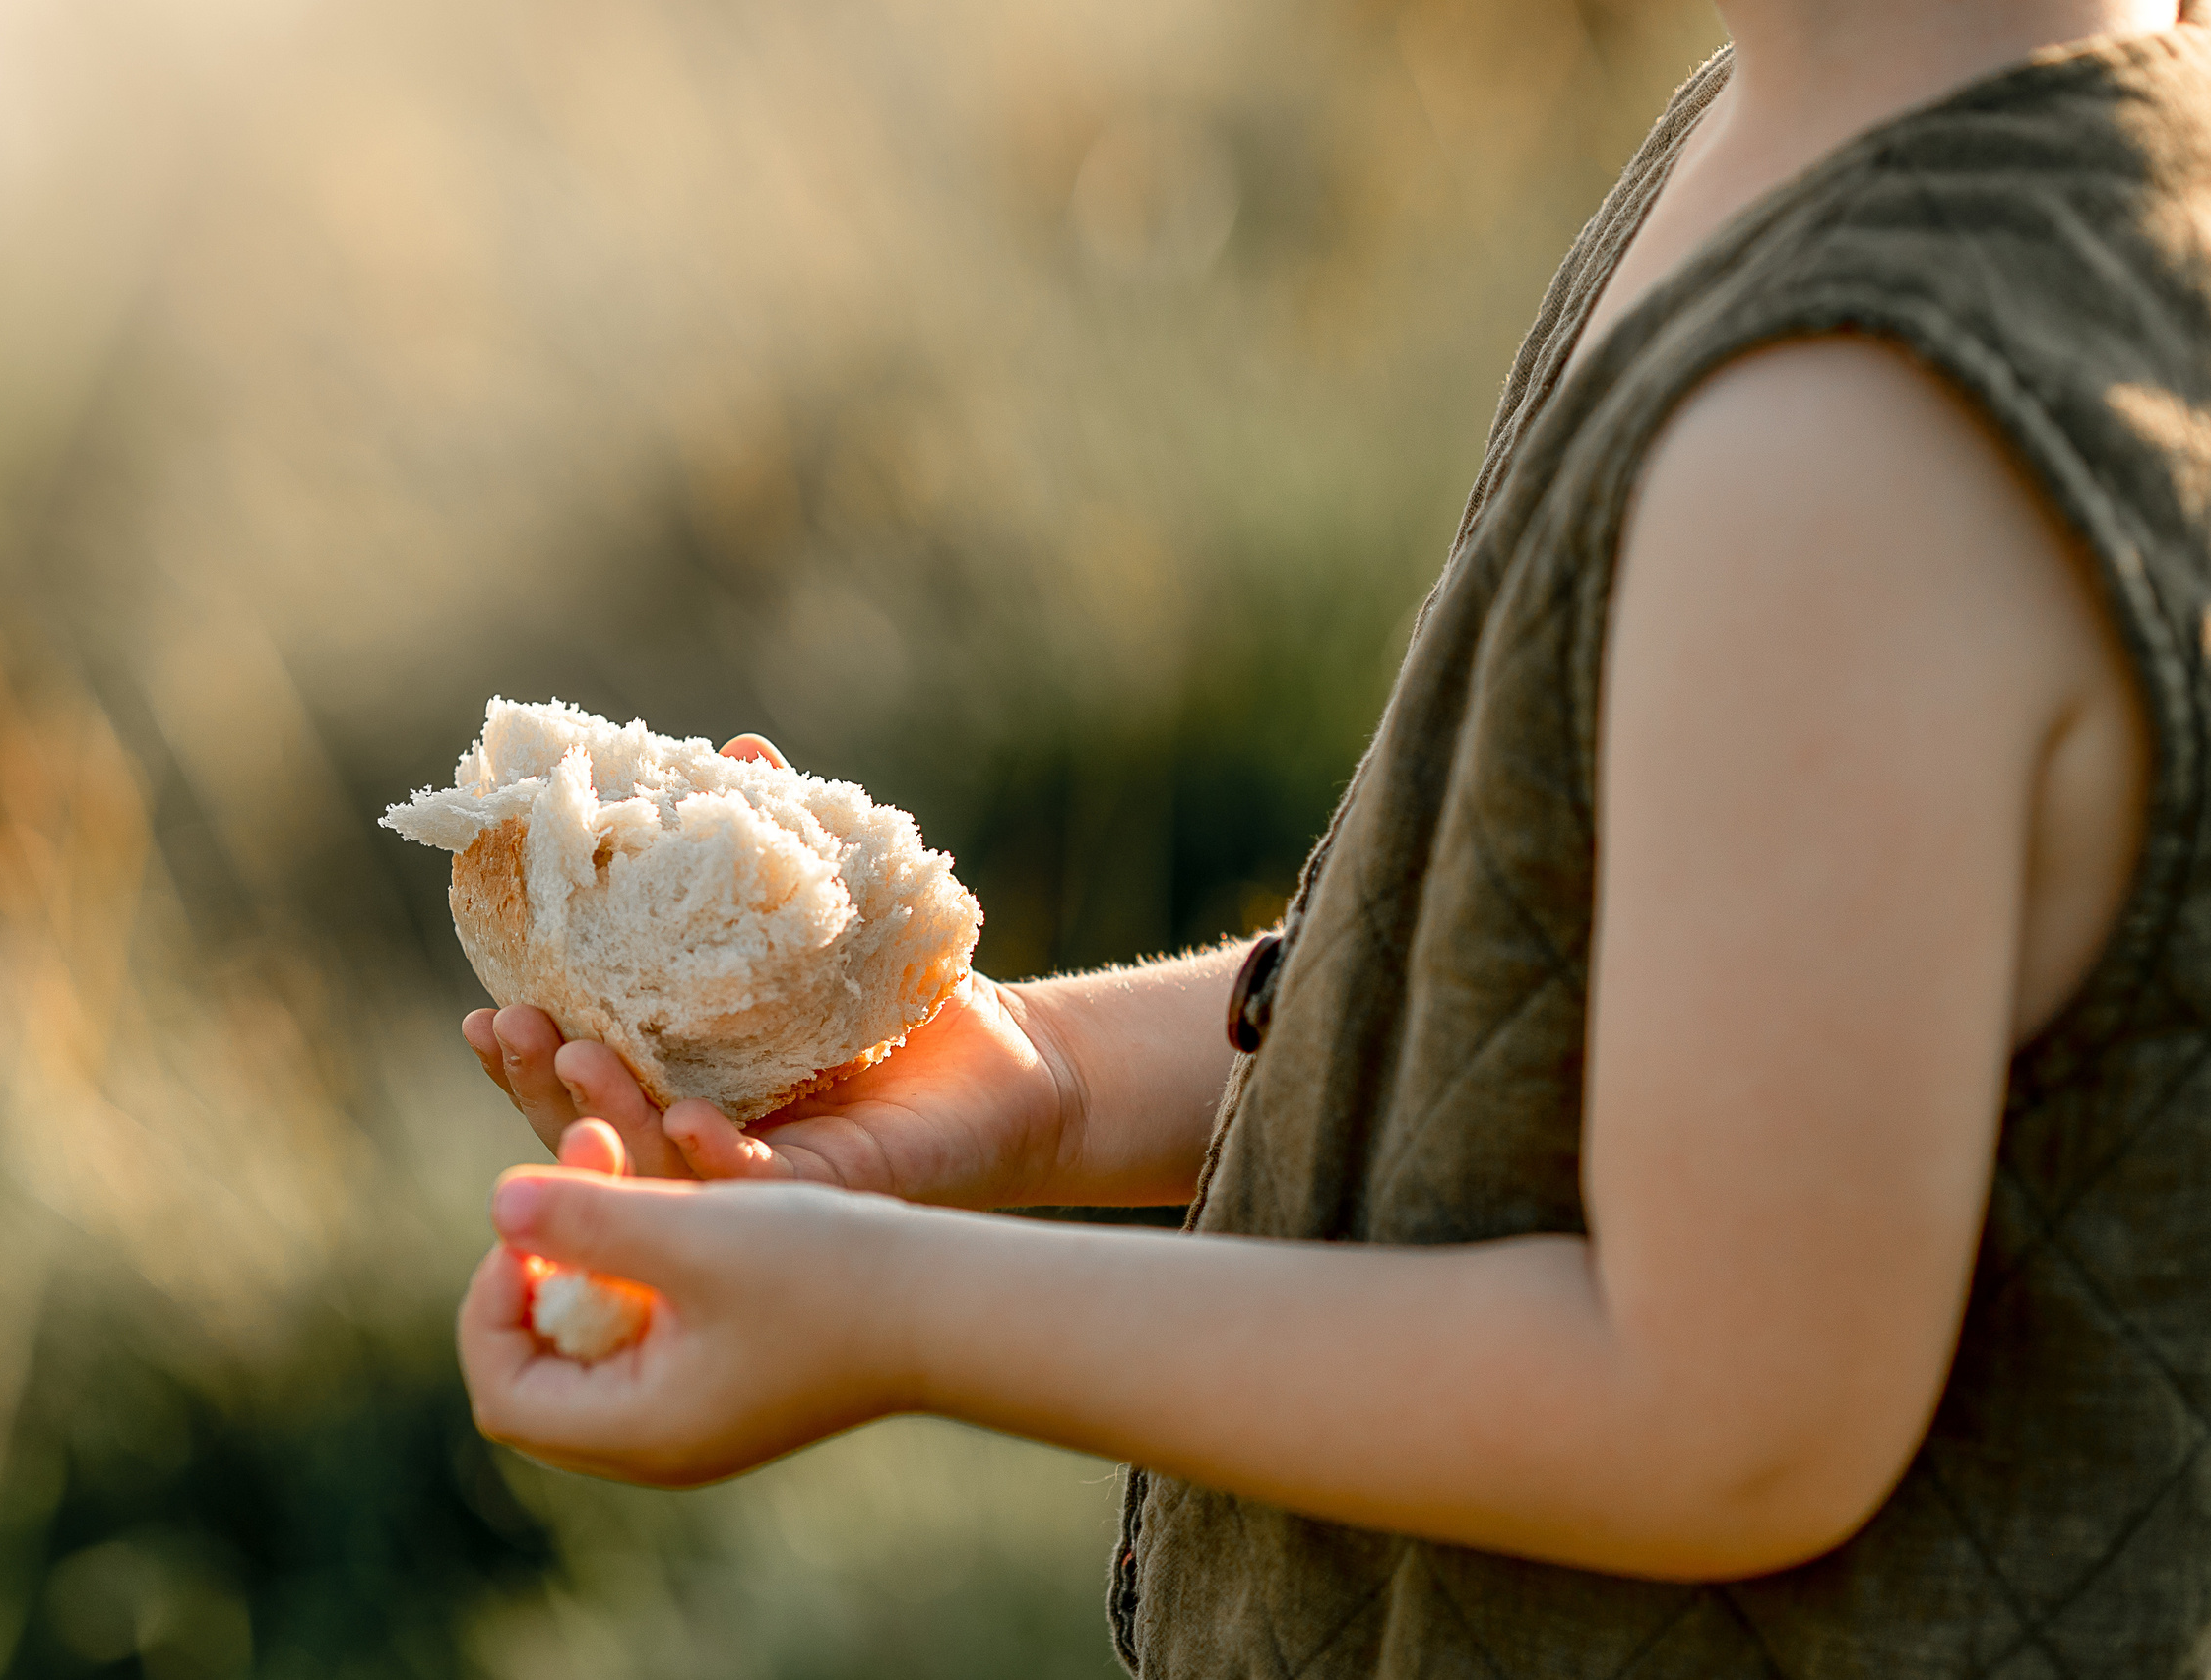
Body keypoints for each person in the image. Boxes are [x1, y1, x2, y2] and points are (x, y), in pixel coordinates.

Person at [457, 1, 2211, 1671]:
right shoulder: (1801, 140)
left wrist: (891, 1312)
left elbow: (1729, 1414)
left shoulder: (1849, 437)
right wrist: (1050, 1082)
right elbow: (1612, 1022)